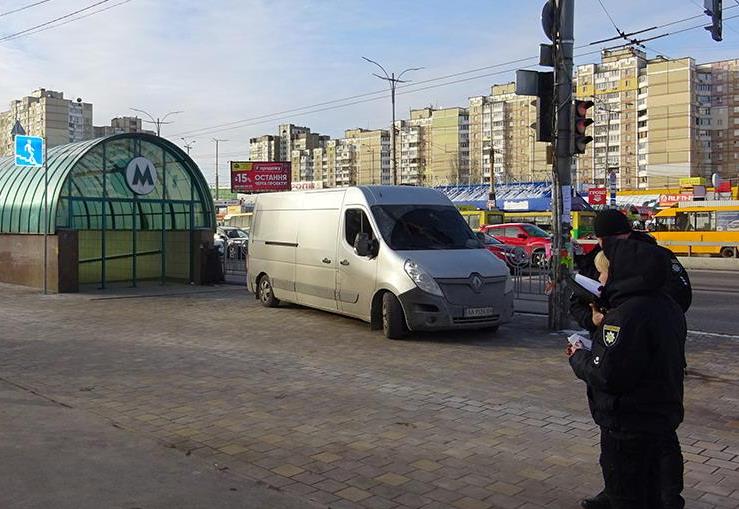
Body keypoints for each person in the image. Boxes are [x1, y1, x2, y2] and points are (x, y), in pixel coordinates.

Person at [567, 239, 686, 509]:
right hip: (659, 414)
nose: (599, 279)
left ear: (622, 273)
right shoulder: (666, 304)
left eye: (603, 273)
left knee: (627, 495)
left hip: (628, 423)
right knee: (653, 491)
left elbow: (608, 375)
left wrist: (578, 356)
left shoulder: (626, 315)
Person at [570, 209, 692, 336]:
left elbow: (681, 295)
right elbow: (577, 303)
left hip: (650, 335)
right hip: (607, 338)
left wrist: (631, 317)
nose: (613, 246)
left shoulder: (655, 256)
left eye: (616, 239)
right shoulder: (596, 259)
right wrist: (592, 320)